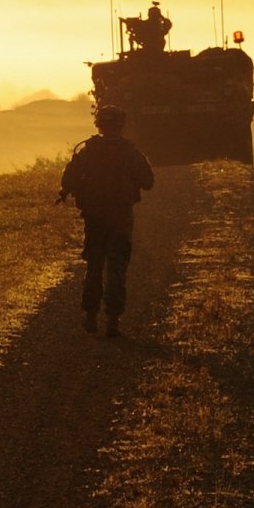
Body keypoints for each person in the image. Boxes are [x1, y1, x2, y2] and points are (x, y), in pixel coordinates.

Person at [58, 103, 155, 336]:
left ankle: (91, 317)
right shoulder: (131, 152)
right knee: (117, 267)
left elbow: (68, 180)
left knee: (94, 266)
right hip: (120, 216)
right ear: (122, 125)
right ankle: (113, 320)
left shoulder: (87, 151)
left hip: (94, 216)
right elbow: (148, 182)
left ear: (99, 124)